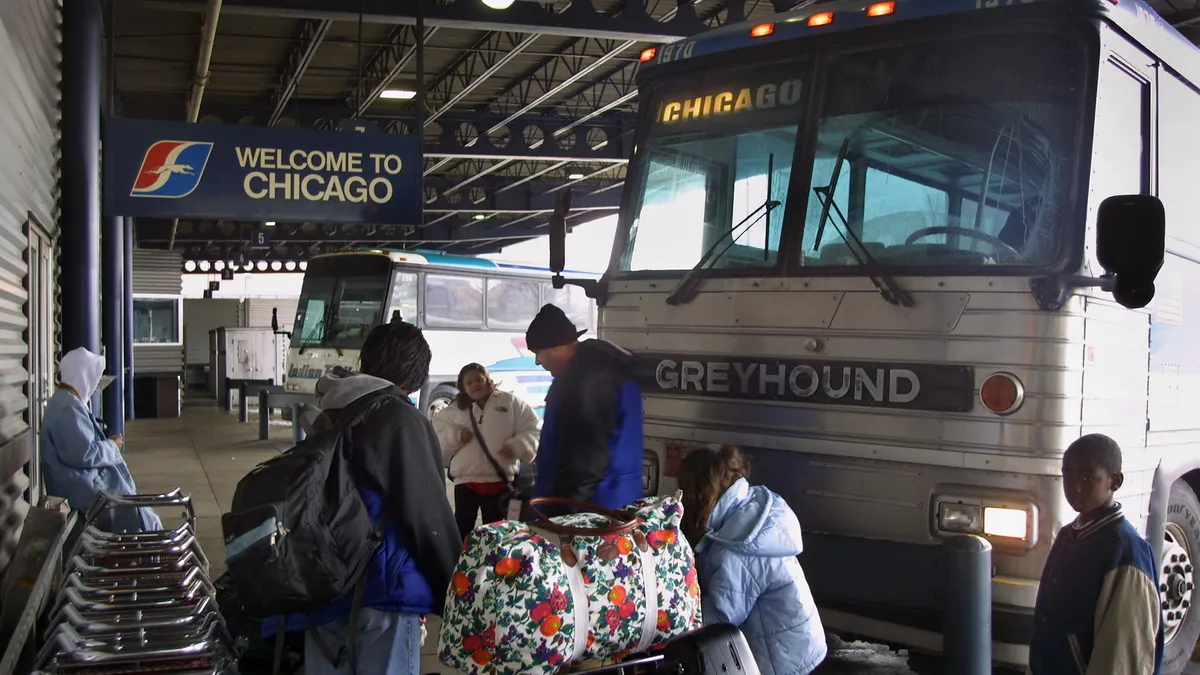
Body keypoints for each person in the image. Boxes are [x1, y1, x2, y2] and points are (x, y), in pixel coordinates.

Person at [263, 320, 460, 675]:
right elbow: (427, 516)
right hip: (382, 592)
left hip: (322, 587)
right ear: (414, 375)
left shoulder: (330, 410)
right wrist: (454, 591)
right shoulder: (400, 419)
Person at [678, 445, 826, 675]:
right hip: (798, 641)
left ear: (698, 493)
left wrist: (673, 613)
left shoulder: (736, 547)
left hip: (780, 659)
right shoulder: (751, 508)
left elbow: (720, 618)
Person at [1028, 433, 1163, 675]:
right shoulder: (1069, 535)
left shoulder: (1125, 554)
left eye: (1088, 477)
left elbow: (1122, 657)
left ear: (1115, 482)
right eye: (1067, 476)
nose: (1074, 487)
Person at [525, 303, 643, 511]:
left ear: (557, 346)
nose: (538, 361)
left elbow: (584, 462)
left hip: (590, 510)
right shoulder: (601, 371)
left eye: (539, 352)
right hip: (613, 499)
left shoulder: (584, 383)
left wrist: (565, 517)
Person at [40, 347, 161, 533]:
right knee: (142, 517)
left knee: (142, 511)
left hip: (85, 484)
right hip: (84, 491)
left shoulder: (67, 402)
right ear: (83, 375)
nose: (96, 385)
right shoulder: (68, 409)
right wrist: (113, 445)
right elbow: (84, 454)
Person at [433, 362, 541, 536]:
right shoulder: (455, 410)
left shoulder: (510, 403)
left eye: (478, 379)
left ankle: (493, 562)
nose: (475, 384)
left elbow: (534, 427)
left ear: (488, 380)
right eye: (469, 383)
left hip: (499, 483)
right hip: (466, 483)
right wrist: (456, 435)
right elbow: (436, 433)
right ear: (462, 387)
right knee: (462, 530)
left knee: (496, 533)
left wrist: (518, 446)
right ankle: (462, 560)